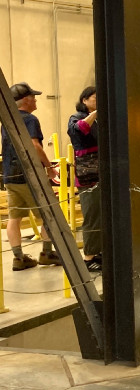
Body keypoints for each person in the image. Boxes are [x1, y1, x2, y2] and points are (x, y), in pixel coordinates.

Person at [2, 82, 60, 270]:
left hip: (10, 175)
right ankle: (47, 252)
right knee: (47, 214)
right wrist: (50, 167)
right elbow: (35, 145)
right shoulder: (30, 120)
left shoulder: (7, 120)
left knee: (14, 217)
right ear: (25, 100)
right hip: (28, 175)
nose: (36, 100)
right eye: (33, 97)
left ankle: (19, 258)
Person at [68, 86, 101, 271]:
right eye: (95, 98)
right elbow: (81, 129)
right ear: (84, 100)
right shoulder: (77, 118)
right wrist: (96, 112)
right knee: (92, 216)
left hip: (103, 173)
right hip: (88, 176)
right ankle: (89, 257)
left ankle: (99, 252)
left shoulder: (100, 120)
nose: (98, 101)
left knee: (103, 215)